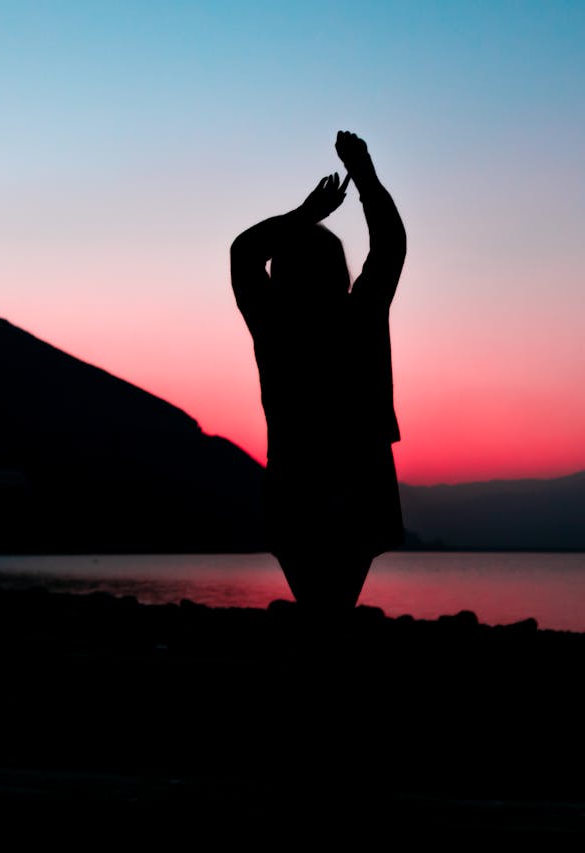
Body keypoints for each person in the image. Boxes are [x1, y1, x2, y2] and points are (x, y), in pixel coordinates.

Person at [231, 130, 406, 617]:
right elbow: (390, 245)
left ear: (281, 274)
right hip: (354, 476)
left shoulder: (273, 322)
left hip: (296, 478)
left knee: (320, 607)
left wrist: (308, 214)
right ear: (340, 274)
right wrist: (365, 175)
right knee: (332, 608)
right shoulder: (360, 315)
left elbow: (243, 252)